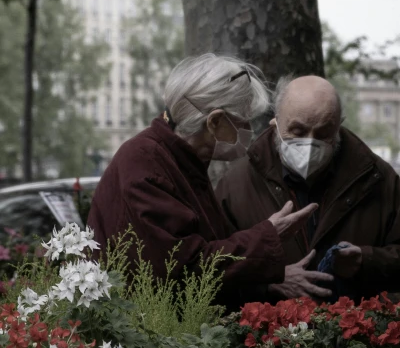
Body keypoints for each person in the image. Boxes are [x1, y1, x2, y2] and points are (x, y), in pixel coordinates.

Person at [88, 55, 334, 307]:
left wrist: (270, 280)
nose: (249, 129)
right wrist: (268, 235)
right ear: (215, 121)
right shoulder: (146, 164)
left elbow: (212, 253)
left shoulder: (181, 161)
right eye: (242, 121)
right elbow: (183, 267)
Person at [216, 75, 400, 301]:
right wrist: (268, 281)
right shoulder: (236, 184)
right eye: (297, 131)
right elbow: (212, 272)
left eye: (323, 133)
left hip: (354, 331)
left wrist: (365, 261)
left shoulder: (376, 177)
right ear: (275, 123)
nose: (309, 143)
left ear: (338, 126)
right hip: (268, 333)